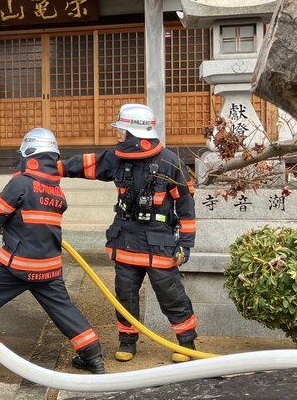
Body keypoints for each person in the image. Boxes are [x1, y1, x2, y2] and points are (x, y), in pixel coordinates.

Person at [0, 127, 106, 374]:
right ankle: (92, 355)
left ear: (29, 155)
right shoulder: (56, 189)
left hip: (18, 266)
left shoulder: (21, 183)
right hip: (49, 268)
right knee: (64, 310)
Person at [60, 103, 198, 363]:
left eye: (121, 131)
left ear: (135, 134)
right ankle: (127, 342)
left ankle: (187, 342)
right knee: (125, 296)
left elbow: (186, 206)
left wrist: (186, 243)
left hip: (159, 243)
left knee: (171, 295)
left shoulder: (169, 161)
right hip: (125, 240)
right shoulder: (117, 158)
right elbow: (86, 164)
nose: (117, 135)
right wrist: (48, 167)